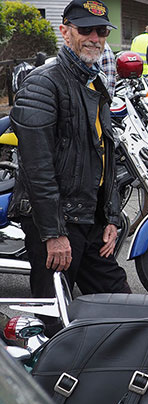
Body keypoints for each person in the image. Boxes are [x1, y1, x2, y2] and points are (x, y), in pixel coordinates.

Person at [9, 0, 131, 335]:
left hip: (90, 222)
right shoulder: (43, 83)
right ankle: (41, 387)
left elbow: (104, 155)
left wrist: (111, 217)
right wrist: (53, 233)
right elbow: (37, 167)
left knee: (124, 310)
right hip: (57, 223)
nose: (95, 37)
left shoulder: (95, 82)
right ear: (65, 32)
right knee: (54, 328)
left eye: (101, 30)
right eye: (85, 29)